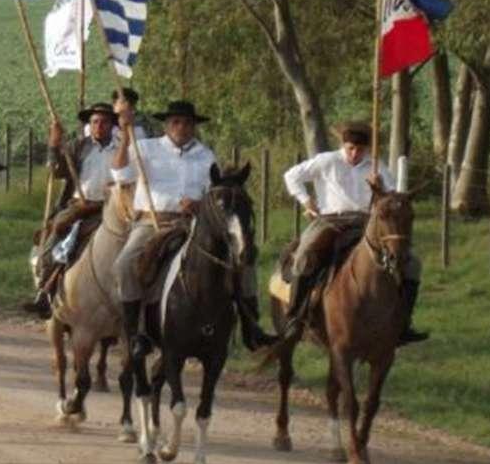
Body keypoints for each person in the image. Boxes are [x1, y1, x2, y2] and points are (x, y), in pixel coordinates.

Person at [111, 101, 276, 358]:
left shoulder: (206, 155)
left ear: (194, 126)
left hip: (194, 223)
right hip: (152, 222)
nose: (182, 127)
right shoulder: (145, 148)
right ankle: (135, 332)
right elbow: (121, 175)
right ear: (166, 125)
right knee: (124, 264)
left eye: (188, 123)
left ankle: (250, 324)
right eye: (176, 122)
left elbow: (215, 194)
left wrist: (200, 205)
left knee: (241, 258)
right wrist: (124, 135)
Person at [281, 121, 427, 345]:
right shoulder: (327, 161)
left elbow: (393, 200)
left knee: (412, 263)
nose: (355, 154)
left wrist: (381, 189)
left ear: (367, 148)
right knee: (305, 254)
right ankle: (295, 316)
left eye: (360, 149)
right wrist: (306, 200)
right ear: (343, 145)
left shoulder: (376, 166)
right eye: (350, 148)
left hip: (366, 222)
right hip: (331, 220)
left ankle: (402, 323)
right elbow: (291, 176)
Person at [23, 103, 120, 318]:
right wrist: (54, 145)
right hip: (79, 206)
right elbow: (57, 171)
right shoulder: (79, 146)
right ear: (90, 125)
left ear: (112, 125)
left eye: (104, 122)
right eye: (95, 122)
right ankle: (44, 290)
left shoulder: (121, 149)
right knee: (57, 230)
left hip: (112, 208)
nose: (99, 126)